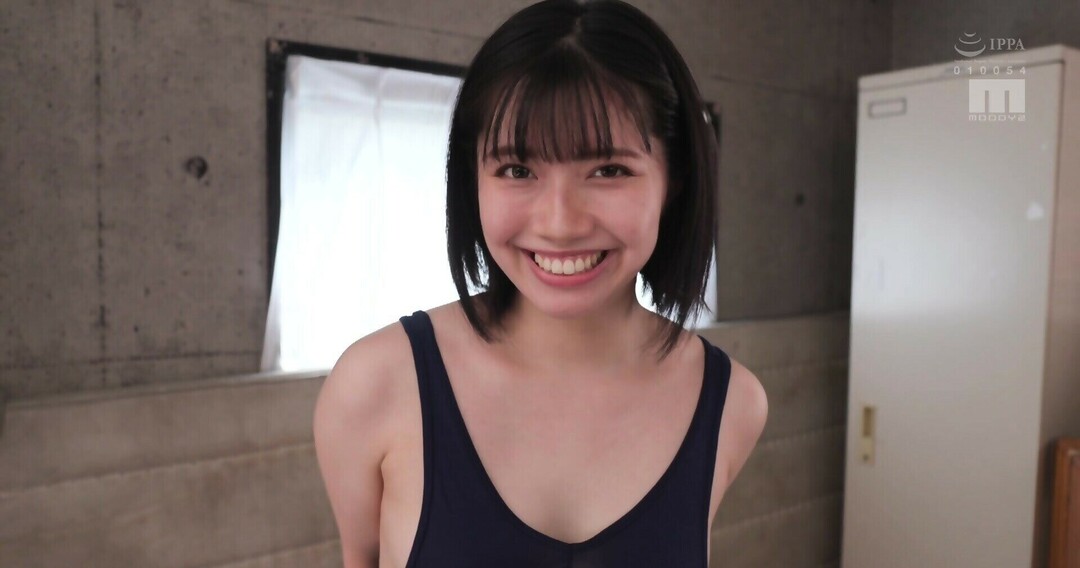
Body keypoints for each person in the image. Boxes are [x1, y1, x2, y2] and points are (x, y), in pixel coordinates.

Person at [313, 1, 768, 566]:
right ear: (472, 180)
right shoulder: (375, 384)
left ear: (673, 179)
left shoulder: (733, 404)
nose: (559, 224)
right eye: (517, 170)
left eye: (608, 170)